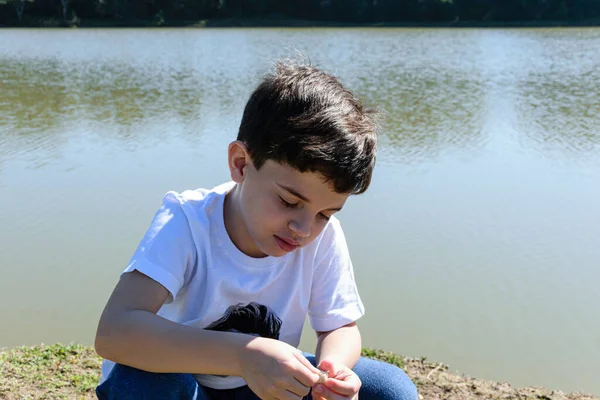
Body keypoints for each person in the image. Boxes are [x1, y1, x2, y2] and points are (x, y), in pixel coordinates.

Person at [94, 58, 418, 400]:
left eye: (325, 213)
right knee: (140, 382)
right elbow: (115, 331)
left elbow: (339, 326)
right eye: (289, 201)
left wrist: (331, 371)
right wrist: (242, 354)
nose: (304, 229)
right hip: (186, 386)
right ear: (241, 164)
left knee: (389, 389)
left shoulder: (323, 237)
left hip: (265, 387)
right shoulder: (186, 222)